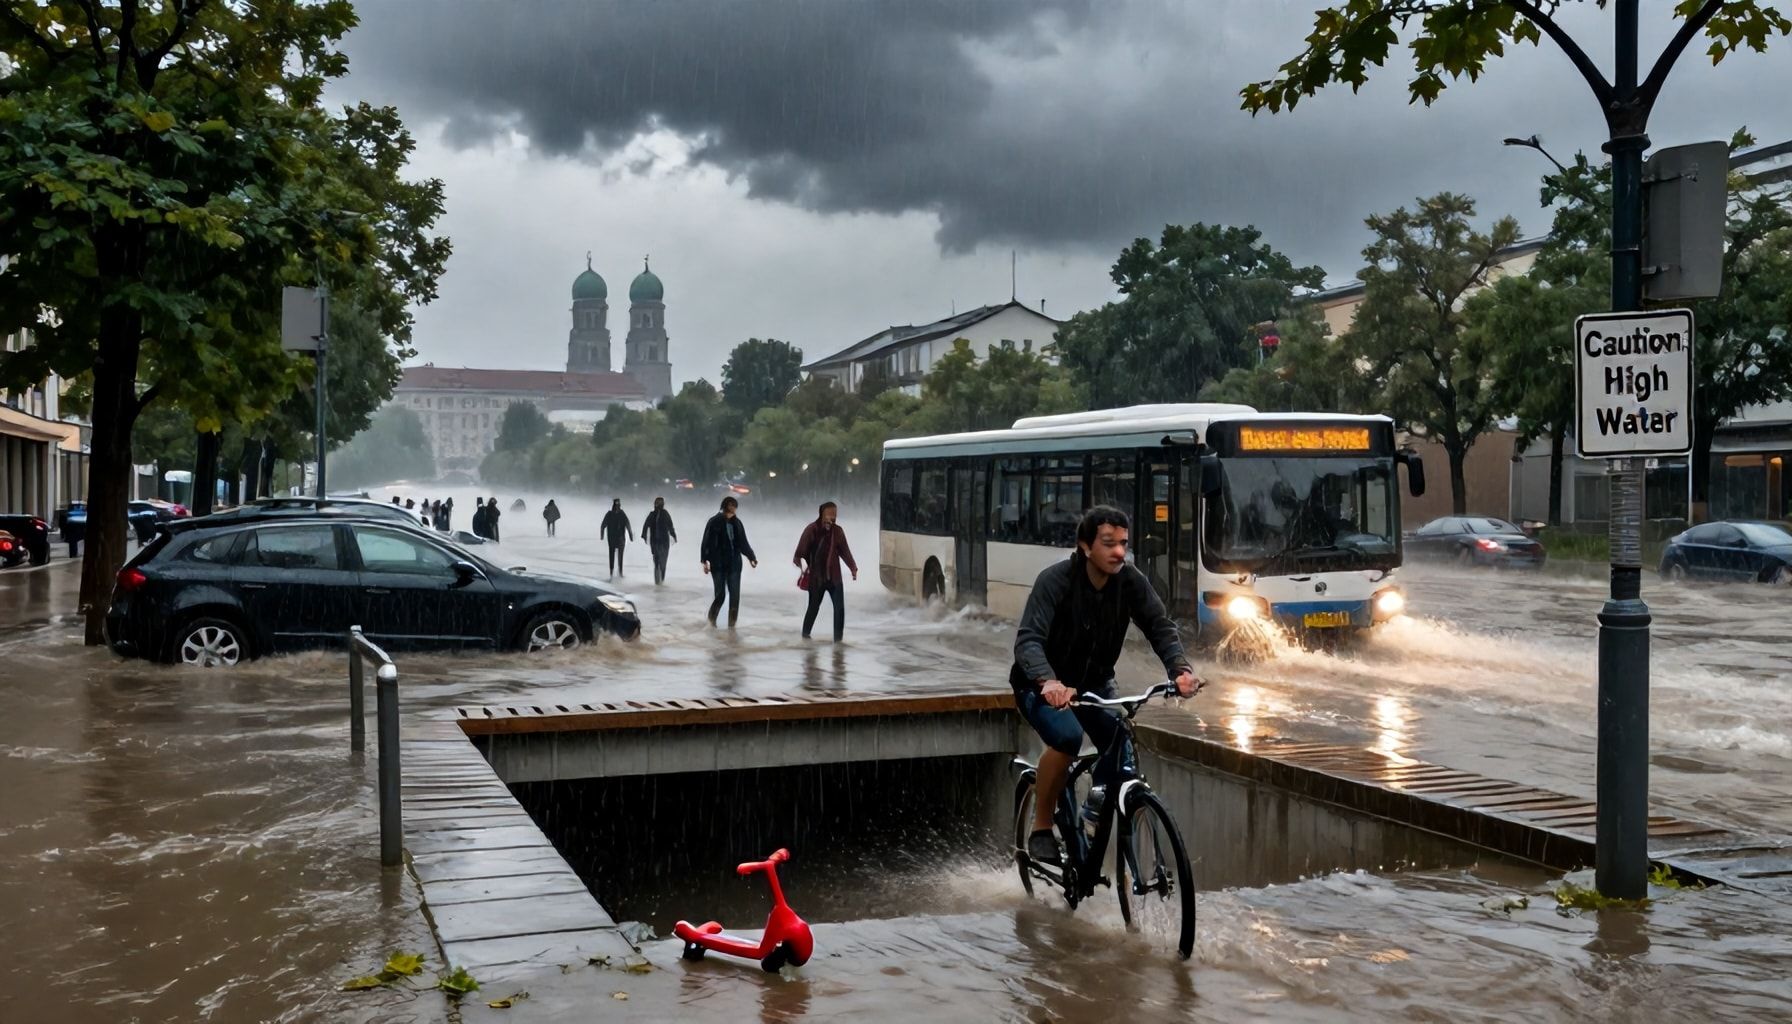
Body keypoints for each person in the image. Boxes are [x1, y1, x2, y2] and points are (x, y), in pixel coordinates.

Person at [1011, 505, 1201, 868]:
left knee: (1119, 743)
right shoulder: (1055, 581)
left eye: (1124, 544)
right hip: (1039, 686)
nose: (1118, 552)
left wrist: (1180, 670)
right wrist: (1048, 681)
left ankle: (1093, 809)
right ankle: (1041, 827)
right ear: (1085, 546)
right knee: (1066, 739)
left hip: (1095, 686)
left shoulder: (1130, 582)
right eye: (1108, 543)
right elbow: (1028, 640)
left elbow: (1160, 626)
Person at [794, 501, 858, 642]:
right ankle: (805, 637)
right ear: (822, 513)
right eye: (830, 513)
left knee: (839, 609)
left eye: (835, 514)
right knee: (813, 608)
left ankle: (838, 641)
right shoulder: (812, 529)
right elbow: (800, 552)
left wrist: (853, 567)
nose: (833, 516)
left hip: (834, 578)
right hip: (817, 578)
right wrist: (801, 564)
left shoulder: (838, 531)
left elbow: (845, 551)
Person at [700, 496, 757, 628]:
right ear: (725, 506)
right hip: (718, 564)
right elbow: (706, 541)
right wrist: (704, 561)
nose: (733, 508)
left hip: (734, 564)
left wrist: (751, 557)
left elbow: (743, 542)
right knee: (720, 595)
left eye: (734, 506)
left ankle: (732, 626)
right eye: (731, 505)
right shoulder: (714, 522)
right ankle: (711, 622)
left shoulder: (737, 523)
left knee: (735, 596)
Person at [642, 497, 677, 585]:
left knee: (663, 562)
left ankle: (662, 580)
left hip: (664, 542)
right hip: (655, 542)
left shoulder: (665, 514)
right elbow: (646, 526)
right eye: (657, 503)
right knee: (657, 562)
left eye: (659, 503)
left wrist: (674, 535)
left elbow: (670, 525)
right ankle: (658, 583)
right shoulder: (652, 514)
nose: (658, 505)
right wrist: (644, 536)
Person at [600, 499, 633, 577]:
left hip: (618, 539)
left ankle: (618, 572)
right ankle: (614, 572)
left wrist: (631, 536)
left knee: (617, 555)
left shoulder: (613, 514)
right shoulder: (614, 514)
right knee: (615, 555)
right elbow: (603, 526)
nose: (616, 507)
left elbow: (628, 525)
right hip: (616, 539)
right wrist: (602, 535)